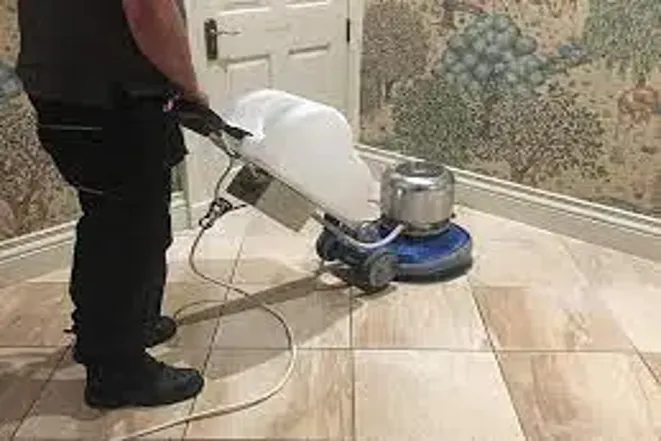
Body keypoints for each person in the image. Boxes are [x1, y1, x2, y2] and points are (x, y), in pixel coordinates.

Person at [16, 0, 206, 408]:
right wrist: (190, 87)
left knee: (106, 220)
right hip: (115, 95)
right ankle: (118, 373)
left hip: (61, 89)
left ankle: (108, 333)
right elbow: (147, 10)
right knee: (132, 234)